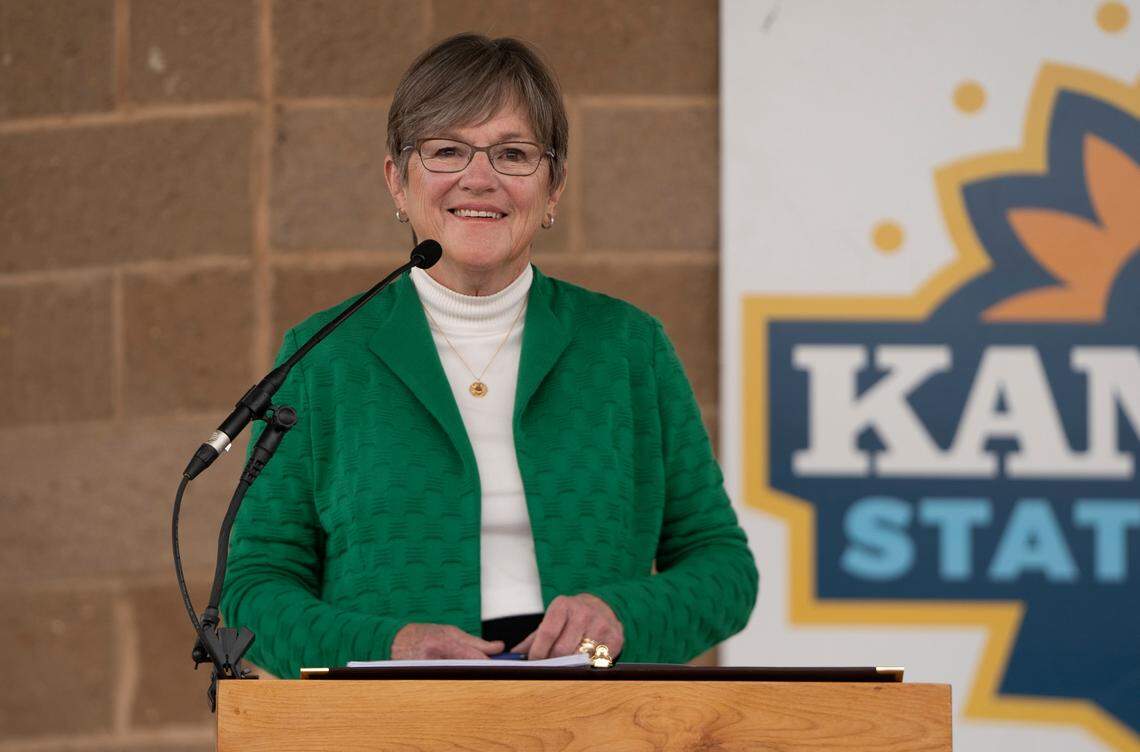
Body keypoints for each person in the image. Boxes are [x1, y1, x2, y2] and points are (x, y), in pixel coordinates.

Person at [221, 33, 757, 678]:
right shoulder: (322, 357)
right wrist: (386, 649)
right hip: (391, 730)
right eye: (447, 151)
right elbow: (253, 588)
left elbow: (724, 569)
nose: (480, 179)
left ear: (553, 187)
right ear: (398, 181)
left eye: (513, 154)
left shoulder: (628, 346)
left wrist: (621, 619)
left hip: (593, 721)